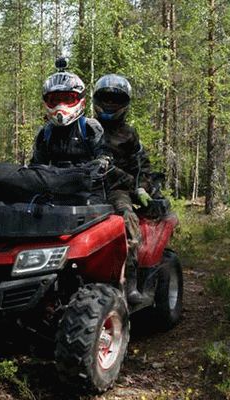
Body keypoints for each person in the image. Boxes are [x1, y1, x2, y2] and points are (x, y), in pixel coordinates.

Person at [92, 74, 153, 304]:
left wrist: (142, 188)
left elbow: (142, 166)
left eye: (115, 100)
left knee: (127, 219)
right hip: (84, 187)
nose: (109, 104)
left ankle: (131, 283)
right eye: (105, 99)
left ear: (124, 103)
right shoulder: (87, 128)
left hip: (117, 189)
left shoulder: (129, 134)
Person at [30, 60, 111, 168]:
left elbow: (104, 153)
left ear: (80, 100)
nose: (60, 106)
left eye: (67, 99)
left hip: (87, 182)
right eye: (54, 100)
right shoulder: (45, 133)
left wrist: (101, 163)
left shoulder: (89, 127)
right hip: (54, 183)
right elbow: (36, 165)